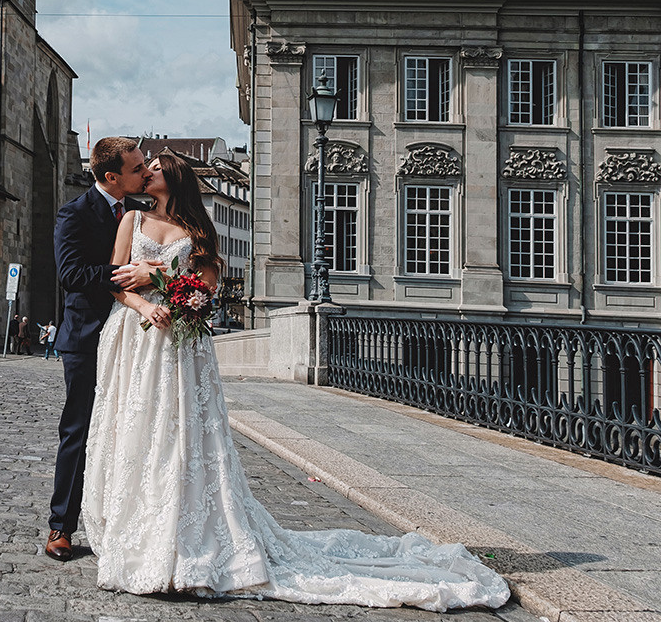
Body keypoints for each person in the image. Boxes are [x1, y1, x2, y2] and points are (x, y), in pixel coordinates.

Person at [80, 152, 511, 610]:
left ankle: (182, 535)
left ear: (175, 178)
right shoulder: (132, 219)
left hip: (180, 345)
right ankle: (139, 526)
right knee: (136, 430)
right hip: (137, 335)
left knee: (180, 437)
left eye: (155, 168)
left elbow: (204, 290)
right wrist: (146, 303)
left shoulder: (197, 232)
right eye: (143, 168)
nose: (146, 171)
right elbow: (114, 281)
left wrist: (161, 275)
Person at [45, 135, 150, 562]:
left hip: (133, 337)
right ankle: (60, 528)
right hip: (87, 337)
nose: (145, 172)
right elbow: (71, 274)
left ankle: (128, 526)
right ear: (112, 176)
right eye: (137, 168)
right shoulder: (73, 214)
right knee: (79, 429)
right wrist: (127, 272)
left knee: (133, 429)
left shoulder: (142, 212)